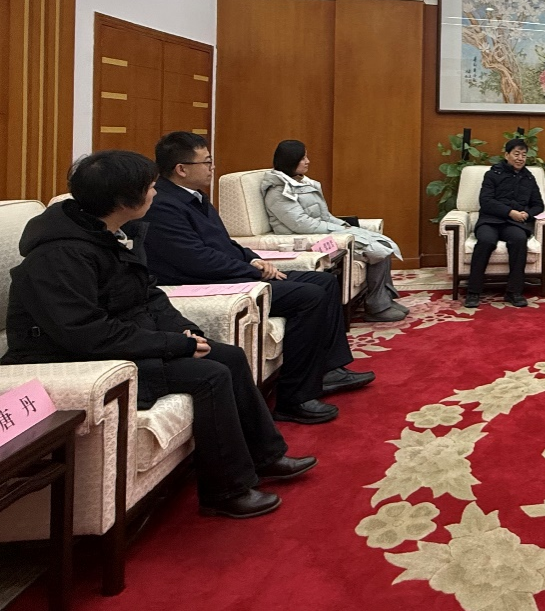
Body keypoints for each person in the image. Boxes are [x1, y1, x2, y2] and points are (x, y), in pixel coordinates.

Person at [3, 151, 316, 518]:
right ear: (124, 201)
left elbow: (149, 294)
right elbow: (83, 333)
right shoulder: (60, 256)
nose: (156, 193)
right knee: (210, 375)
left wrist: (183, 330)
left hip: (122, 344)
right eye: (150, 187)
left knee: (229, 356)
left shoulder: (114, 234)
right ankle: (226, 490)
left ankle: (265, 455)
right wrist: (172, 344)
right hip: (75, 359)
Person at [143, 132, 373, 426]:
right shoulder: (163, 205)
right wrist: (253, 271)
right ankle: (294, 397)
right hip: (205, 283)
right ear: (181, 169)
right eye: (207, 162)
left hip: (230, 273)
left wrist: (253, 259)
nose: (212, 168)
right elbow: (195, 260)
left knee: (324, 282)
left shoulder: (195, 197)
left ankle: (328, 370)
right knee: (308, 297)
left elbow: (225, 243)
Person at [261, 140, 406, 323]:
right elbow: (302, 225)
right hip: (306, 241)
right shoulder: (278, 192)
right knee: (377, 251)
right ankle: (377, 308)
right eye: (303, 158)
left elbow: (325, 216)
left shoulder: (302, 183)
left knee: (382, 242)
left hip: (323, 232)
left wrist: (344, 225)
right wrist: (338, 230)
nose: (307, 161)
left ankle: (383, 299)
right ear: (290, 160)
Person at [465, 138, 545, 308]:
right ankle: (473, 291)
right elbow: (486, 201)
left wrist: (527, 214)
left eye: (524, 155)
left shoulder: (528, 178)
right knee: (486, 241)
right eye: (516, 154)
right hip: (490, 220)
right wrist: (510, 212)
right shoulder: (493, 174)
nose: (520, 158)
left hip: (513, 224)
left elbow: (539, 205)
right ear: (507, 155)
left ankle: (514, 292)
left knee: (519, 240)